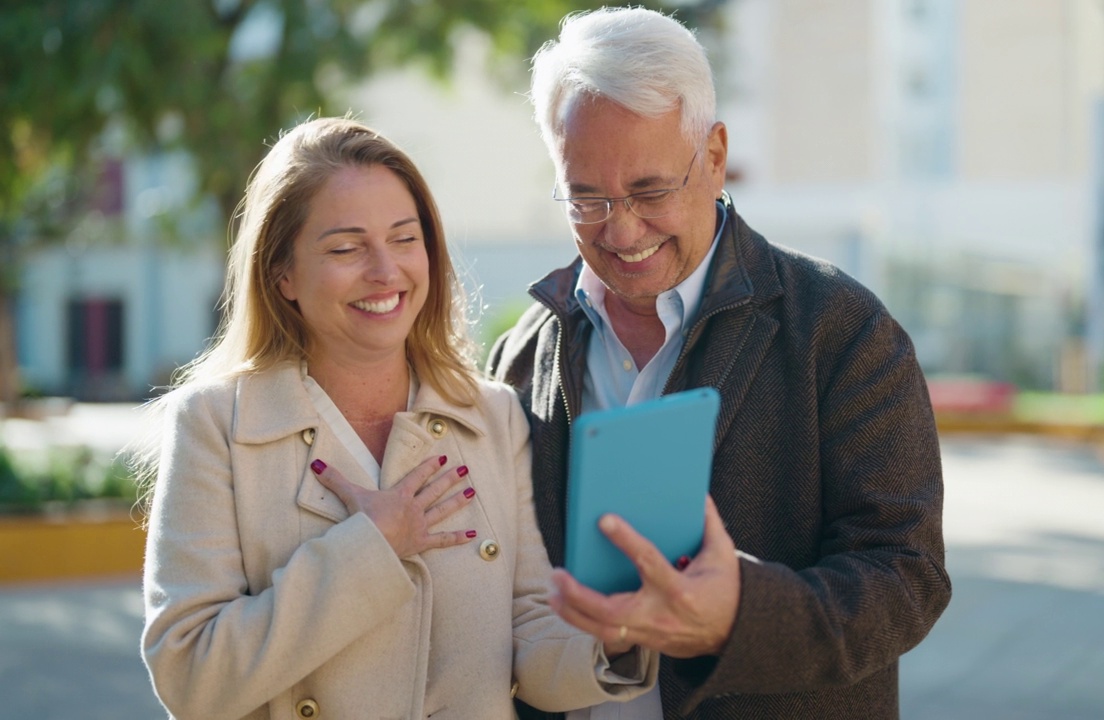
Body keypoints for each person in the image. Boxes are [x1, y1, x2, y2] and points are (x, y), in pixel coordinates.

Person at [487, 7, 951, 719]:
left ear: (713, 155)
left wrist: (741, 615)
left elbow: (907, 578)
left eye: (649, 191)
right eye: (586, 197)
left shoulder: (842, 329)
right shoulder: (524, 354)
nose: (621, 229)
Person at [135, 116, 657, 720]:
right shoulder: (215, 426)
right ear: (283, 275)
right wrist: (368, 549)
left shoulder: (490, 417)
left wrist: (616, 640)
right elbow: (190, 676)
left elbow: (528, 633)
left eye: (405, 239)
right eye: (346, 248)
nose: (386, 271)